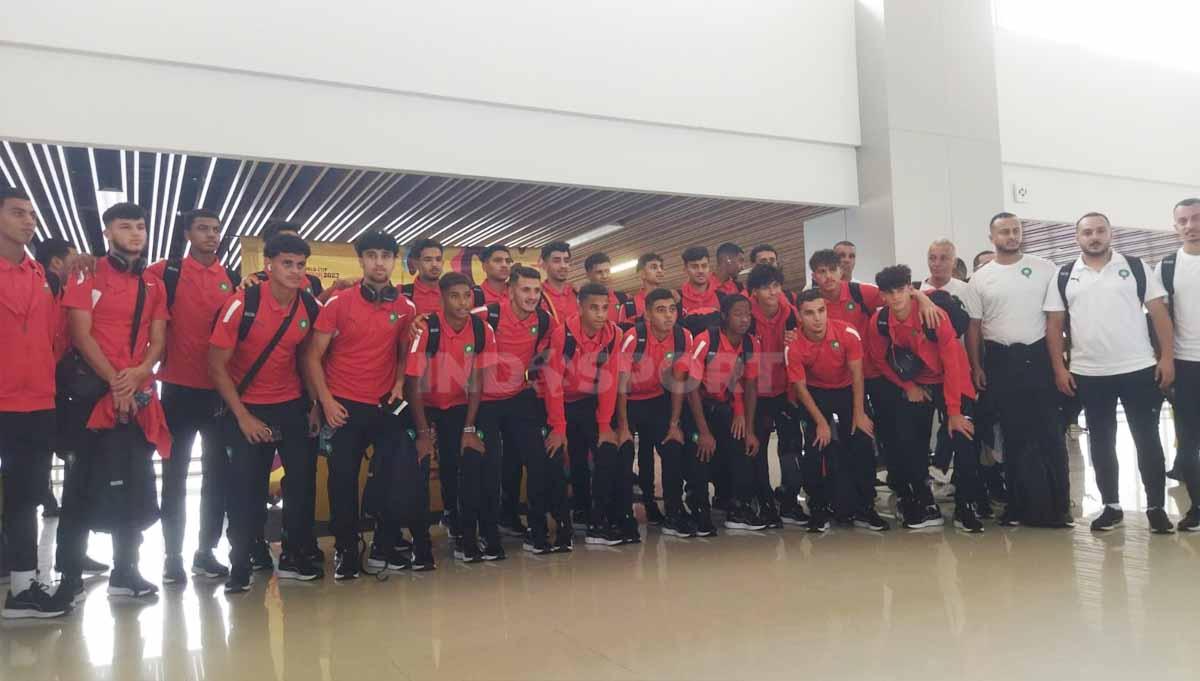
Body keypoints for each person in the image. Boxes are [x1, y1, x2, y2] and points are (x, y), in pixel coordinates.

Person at [60, 202, 172, 598]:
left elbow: (158, 340)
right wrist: (115, 381)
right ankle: (69, 575)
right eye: (125, 226)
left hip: (138, 397)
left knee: (134, 483)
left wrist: (138, 374)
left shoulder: (154, 283)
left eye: (140, 226)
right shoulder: (86, 273)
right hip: (92, 394)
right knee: (80, 483)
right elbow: (80, 334)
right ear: (107, 232)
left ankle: (126, 572)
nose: (135, 233)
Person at [1045, 212, 1176, 534]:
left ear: (1110, 234)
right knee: (1101, 441)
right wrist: (1059, 368)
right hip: (1089, 372)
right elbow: (1054, 325)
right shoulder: (1065, 274)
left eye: (1100, 231)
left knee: (1147, 439)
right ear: (1077, 238)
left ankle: (1156, 507)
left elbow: (1159, 314)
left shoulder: (1135, 267)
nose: (1094, 237)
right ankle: (1111, 506)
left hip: (1138, 368)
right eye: (1087, 232)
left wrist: (1167, 358)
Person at [303, 231, 419, 579]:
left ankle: (384, 544)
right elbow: (312, 357)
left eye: (386, 256)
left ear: (394, 261)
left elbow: (404, 352)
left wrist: (398, 382)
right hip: (343, 405)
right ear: (361, 260)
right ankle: (346, 549)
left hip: (384, 405)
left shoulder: (406, 308)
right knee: (342, 481)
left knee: (392, 477)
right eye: (372, 255)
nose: (379, 262)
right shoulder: (338, 304)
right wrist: (325, 401)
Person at [210, 234, 323, 592]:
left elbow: (309, 358)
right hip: (247, 406)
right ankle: (241, 562)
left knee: (302, 485)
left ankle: (294, 555)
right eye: (287, 263)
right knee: (247, 489)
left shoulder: (309, 305)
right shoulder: (242, 304)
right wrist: (243, 417)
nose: (295, 271)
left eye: (300, 265)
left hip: (292, 405)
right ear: (268, 265)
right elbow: (216, 366)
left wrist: (314, 405)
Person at [146, 209, 239, 585]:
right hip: (176, 390)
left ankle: (206, 551)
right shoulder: (164, 272)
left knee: (217, 479)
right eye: (203, 229)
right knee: (174, 476)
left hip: (218, 392)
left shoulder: (232, 280)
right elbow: (125, 283)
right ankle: (172, 556)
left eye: (216, 230)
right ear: (187, 233)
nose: (211, 235)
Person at [965, 213, 1071, 527]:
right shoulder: (980, 278)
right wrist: (976, 365)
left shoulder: (1045, 269)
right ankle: (1017, 506)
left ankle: (1059, 507)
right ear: (992, 237)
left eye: (1015, 230)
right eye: (1004, 232)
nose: (1011, 236)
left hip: (1039, 358)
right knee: (1012, 436)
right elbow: (974, 328)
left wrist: (1059, 366)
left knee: (1050, 434)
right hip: (1000, 361)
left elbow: (1056, 321)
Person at [809, 249, 941, 500]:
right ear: (814, 276)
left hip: (879, 374)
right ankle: (856, 493)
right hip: (842, 381)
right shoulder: (813, 304)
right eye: (821, 272)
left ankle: (903, 485)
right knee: (855, 436)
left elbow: (898, 293)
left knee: (892, 430)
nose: (828, 276)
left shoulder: (861, 292)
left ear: (841, 270)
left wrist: (923, 299)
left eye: (832, 270)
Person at [0, 188, 75, 618]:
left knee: (27, 495)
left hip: (37, 403)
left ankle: (23, 586)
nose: (28, 221)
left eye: (31, 214)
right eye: (17, 213)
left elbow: (57, 338)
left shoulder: (43, 277)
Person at [866, 265, 984, 532]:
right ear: (882, 295)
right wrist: (908, 386)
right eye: (889, 292)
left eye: (900, 290)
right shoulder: (879, 322)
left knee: (963, 437)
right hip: (919, 384)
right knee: (911, 443)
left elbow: (952, 363)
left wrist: (954, 412)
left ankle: (966, 505)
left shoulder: (933, 315)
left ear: (910, 288)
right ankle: (923, 500)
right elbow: (879, 360)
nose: (896, 297)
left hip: (953, 379)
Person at [475, 266, 568, 554]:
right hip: (484, 402)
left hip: (519, 398)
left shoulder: (545, 321)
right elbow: (450, 318)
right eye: (525, 289)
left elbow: (552, 368)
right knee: (490, 468)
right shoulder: (487, 315)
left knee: (538, 462)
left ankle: (536, 531)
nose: (532, 296)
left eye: (537, 290)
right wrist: (421, 321)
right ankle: (488, 534)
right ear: (510, 291)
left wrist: (559, 425)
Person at [405, 272, 497, 562]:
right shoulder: (426, 329)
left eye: (467, 296)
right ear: (442, 298)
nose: (462, 302)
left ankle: (465, 535)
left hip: (458, 405)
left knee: (465, 463)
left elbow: (477, 381)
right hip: (423, 404)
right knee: (418, 466)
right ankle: (420, 543)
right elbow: (412, 385)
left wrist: (469, 428)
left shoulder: (482, 330)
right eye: (455, 296)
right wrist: (423, 434)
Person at [785, 289, 887, 532]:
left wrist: (859, 414)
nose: (817, 318)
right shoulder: (793, 345)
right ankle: (818, 509)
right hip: (816, 394)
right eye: (809, 313)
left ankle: (865, 508)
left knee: (862, 441)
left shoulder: (847, 333)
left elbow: (857, 374)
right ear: (800, 317)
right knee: (815, 447)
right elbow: (800, 388)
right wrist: (821, 423)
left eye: (821, 311)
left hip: (848, 390)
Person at [616, 288, 700, 537]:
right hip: (627, 402)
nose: (668, 315)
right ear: (648, 314)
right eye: (661, 310)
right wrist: (623, 426)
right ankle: (624, 514)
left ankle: (674, 512)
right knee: (625, 452)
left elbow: (678, 383)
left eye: (672, 309)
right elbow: (620, 385)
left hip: (657, 399)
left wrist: (674, 424)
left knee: (673, 447)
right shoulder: (633, 337)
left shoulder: (683, 337)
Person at [550, 283, 626, 544]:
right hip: (560, 402)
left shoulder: (613, 334)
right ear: (580, 308)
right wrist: (558, 427)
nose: (601, 314)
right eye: (594, 308)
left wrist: (604, 425)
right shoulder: (562, 335)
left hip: (588, 401)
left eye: (605, 308)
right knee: (568, 455)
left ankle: (597, 520)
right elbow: (553, 384)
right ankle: (574, 513)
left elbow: (609, 381)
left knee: (607, 449)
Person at [683, 294, 765, 531]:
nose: (744, 319)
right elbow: (691, 387)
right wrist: (703, 432)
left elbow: (749, 386)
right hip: (697, 407)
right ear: (724, 316)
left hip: (725, 406)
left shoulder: (751, 344)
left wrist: (748, 426)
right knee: (701, 451)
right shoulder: (706, 340)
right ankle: (699, 508)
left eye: (747, 314)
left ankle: (738, 507)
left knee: (740, 445)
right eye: (738, 314)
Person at [744, 264, 799, 528]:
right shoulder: (747, 318)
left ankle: (789, 500)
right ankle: (764, 502)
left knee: (791, 447)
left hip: (785, 392)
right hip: (756, 394)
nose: (772, 292)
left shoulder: (791, 314)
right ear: (754, 292)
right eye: (766, 287)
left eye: (776, 286)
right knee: (758, 450)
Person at [1158, 198, 1200, 531]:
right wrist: (1165, 359)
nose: (1191, 226)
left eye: (1196, 218)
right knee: (1189, 443)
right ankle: (1197, 508)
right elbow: (1160, 318)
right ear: (1175, 227)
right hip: (1187, 366)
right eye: (1183, 221)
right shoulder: (1167, 266)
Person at [32, 237, 74, 519]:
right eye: (73, 259)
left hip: (55, 381)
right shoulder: (43, 286)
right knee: (43, 446)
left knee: (53, 446)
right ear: (57, 262)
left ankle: (49, 496)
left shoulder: (63, 292)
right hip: (41, 383)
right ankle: (43, 495)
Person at [677, 245, 723, 331]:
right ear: (685, 269)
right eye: (694, 267)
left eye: (704, 266)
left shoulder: (722, 297)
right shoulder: (677, 300)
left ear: (709, 267)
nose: (700, 271)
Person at [583, 252, 634, 326]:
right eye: (599, 272)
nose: (605, 276)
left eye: (607, 271)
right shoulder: (581, 301)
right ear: (588, 275)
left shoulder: (624, 298)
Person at [402, 237, 443, 315]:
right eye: (428, 260)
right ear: (415, 263)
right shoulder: (401, 293)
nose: (434, 264)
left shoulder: (452, 293)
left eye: (438, 259)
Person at [539, 241, 577, 322]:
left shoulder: (577, 293)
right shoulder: (537, 295)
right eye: (556, 261)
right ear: (544, 264)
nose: (563, 266)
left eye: (566, 261)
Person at [631, 252, 668, 320]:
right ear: (642, 274)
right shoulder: (630, 306)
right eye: (654, 267)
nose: (660, 270)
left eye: (661, 267)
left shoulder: (671, 300)